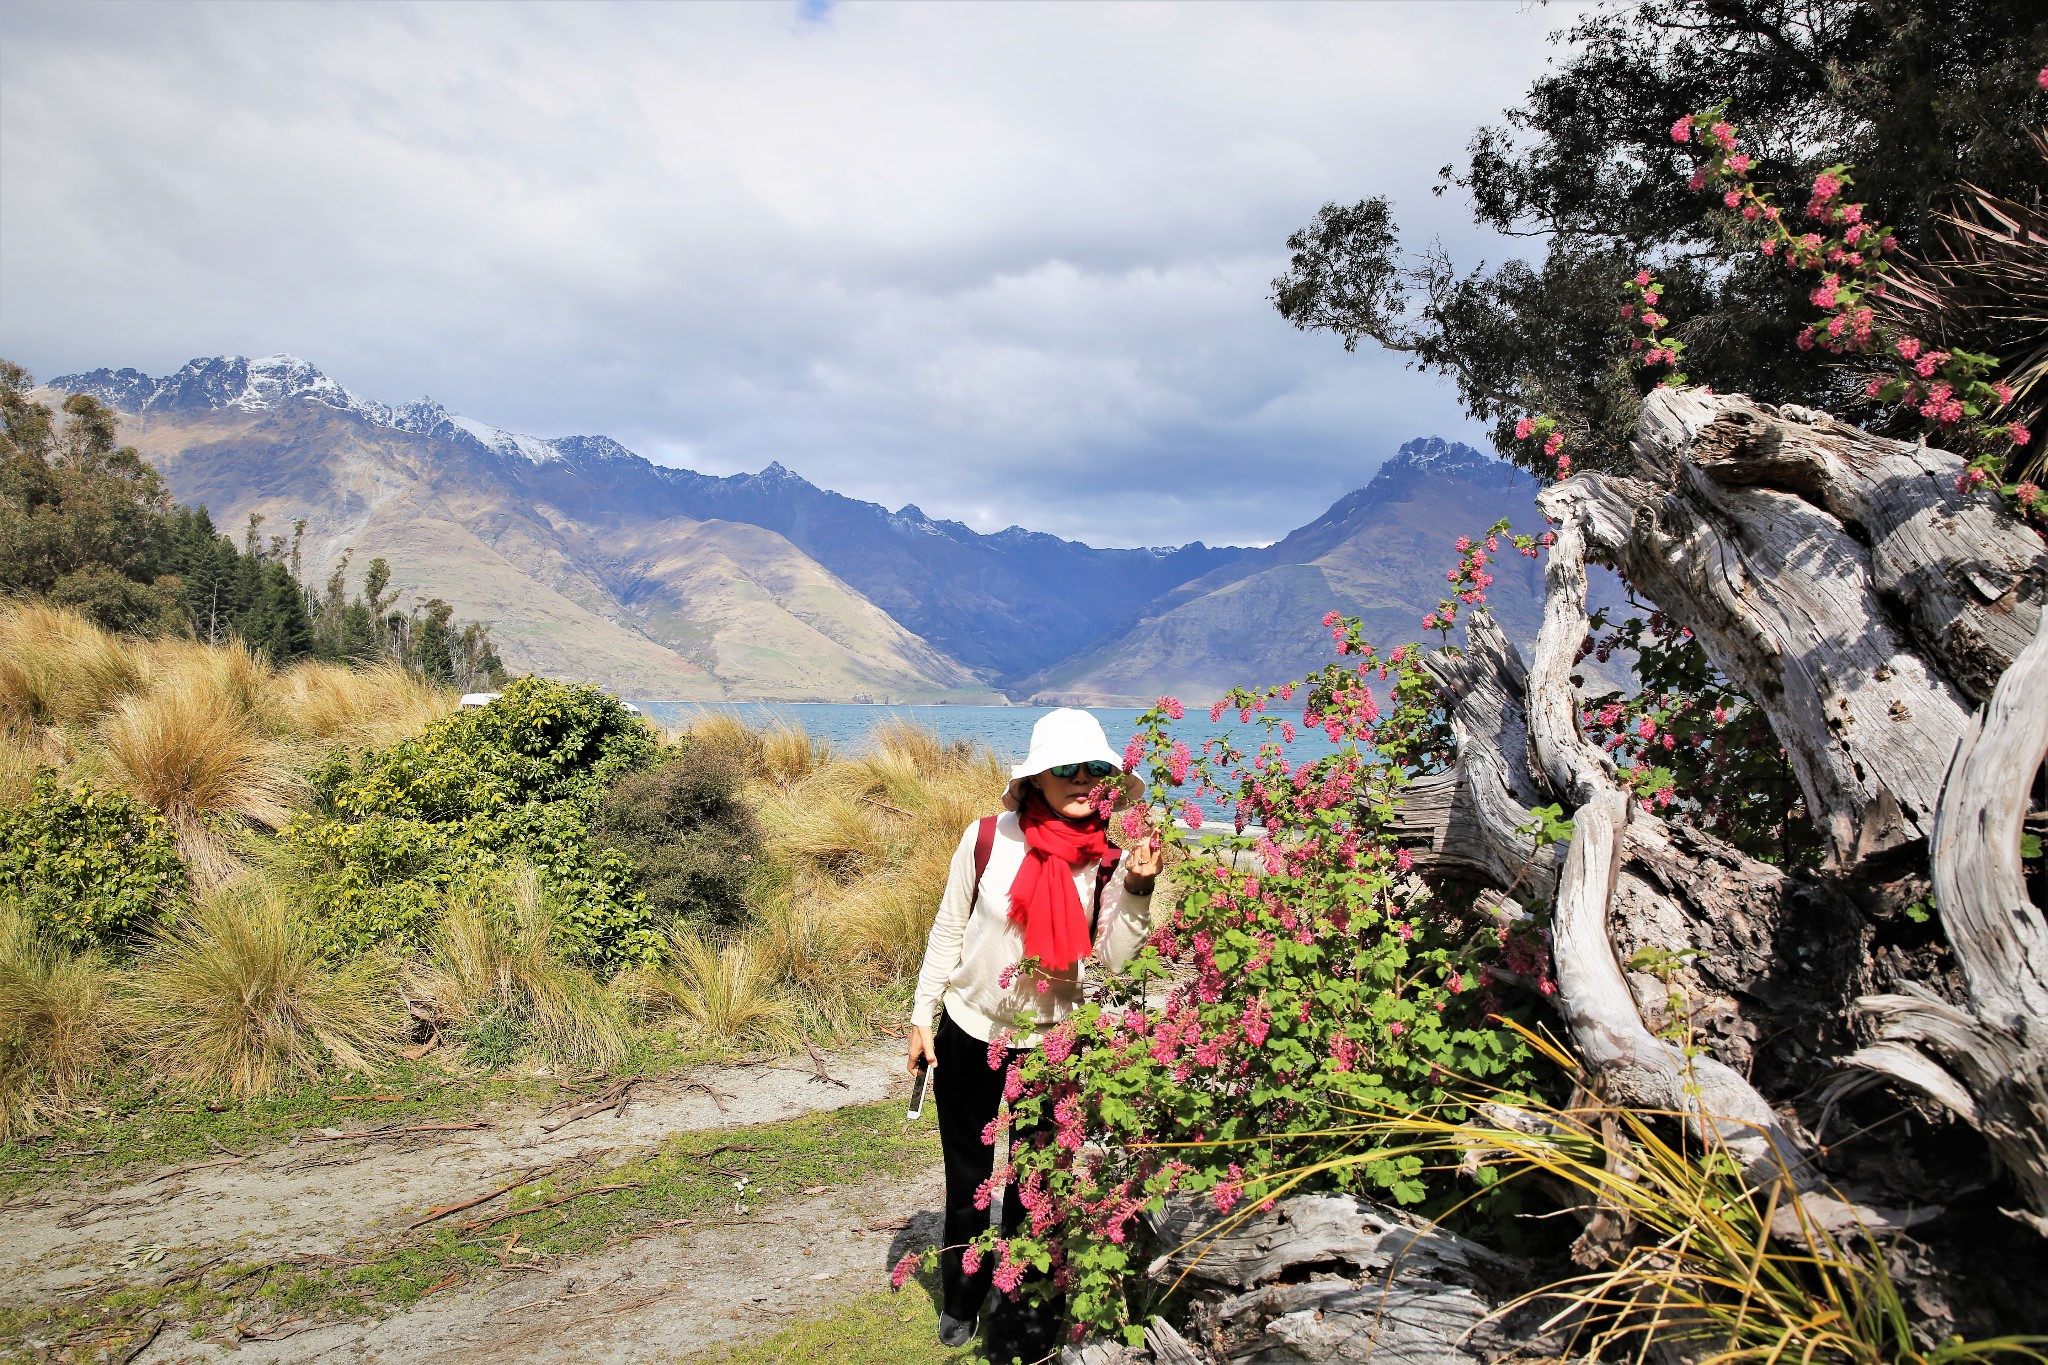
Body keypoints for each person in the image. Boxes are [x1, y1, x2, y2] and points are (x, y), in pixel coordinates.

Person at [906, 707, 1162, 1360]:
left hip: (1054, 1041)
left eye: (1096, 767)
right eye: (1067, 767)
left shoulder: (1109, 857)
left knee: (1037, 1183)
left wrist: (1137, 888)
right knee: (968, 1177)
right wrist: (920, 1014)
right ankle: (961, 1296)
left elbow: (1116, 961)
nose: (1083, 778)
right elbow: (948, 927)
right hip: (968, 1029)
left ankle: (1022, 1306)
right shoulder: (988, 839)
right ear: (1037, 779)